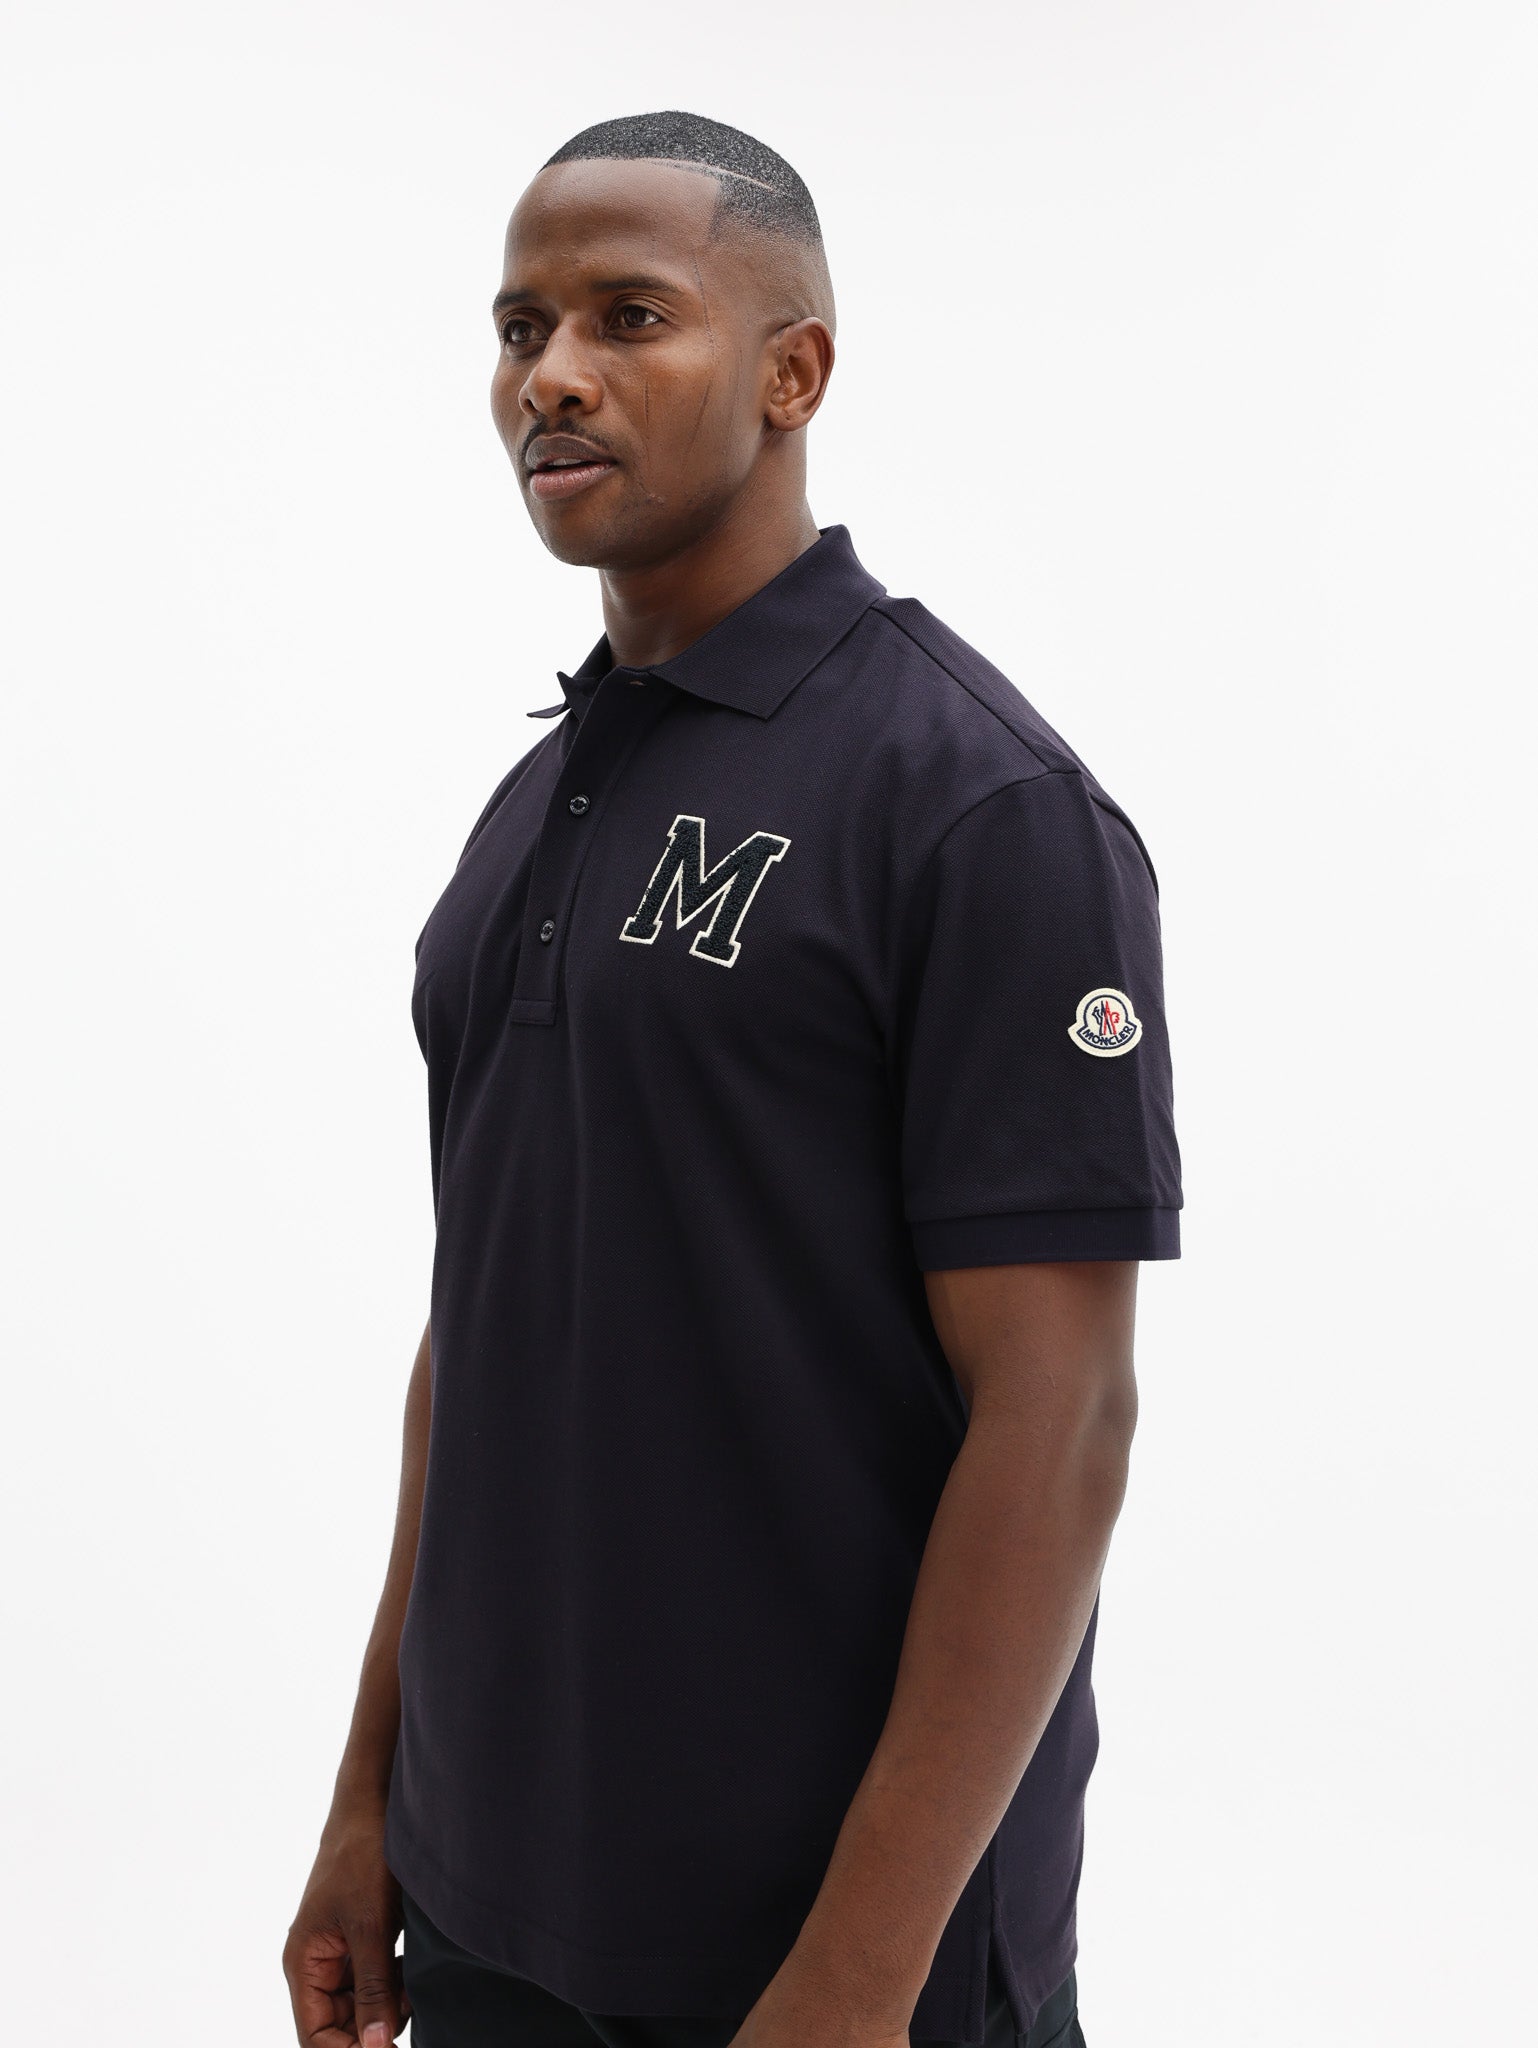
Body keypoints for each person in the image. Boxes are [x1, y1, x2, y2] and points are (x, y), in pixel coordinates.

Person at [283, 109, 1182, 2048]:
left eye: (628, 316)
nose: (552, 375)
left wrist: (855, 1980)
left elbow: (1059, 1421)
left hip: (830, 1955)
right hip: (495, 1911)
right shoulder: (536, 804)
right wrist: (371, 1804)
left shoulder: (981, 806)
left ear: (794, 373)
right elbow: (476, 1334)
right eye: (519, 327)